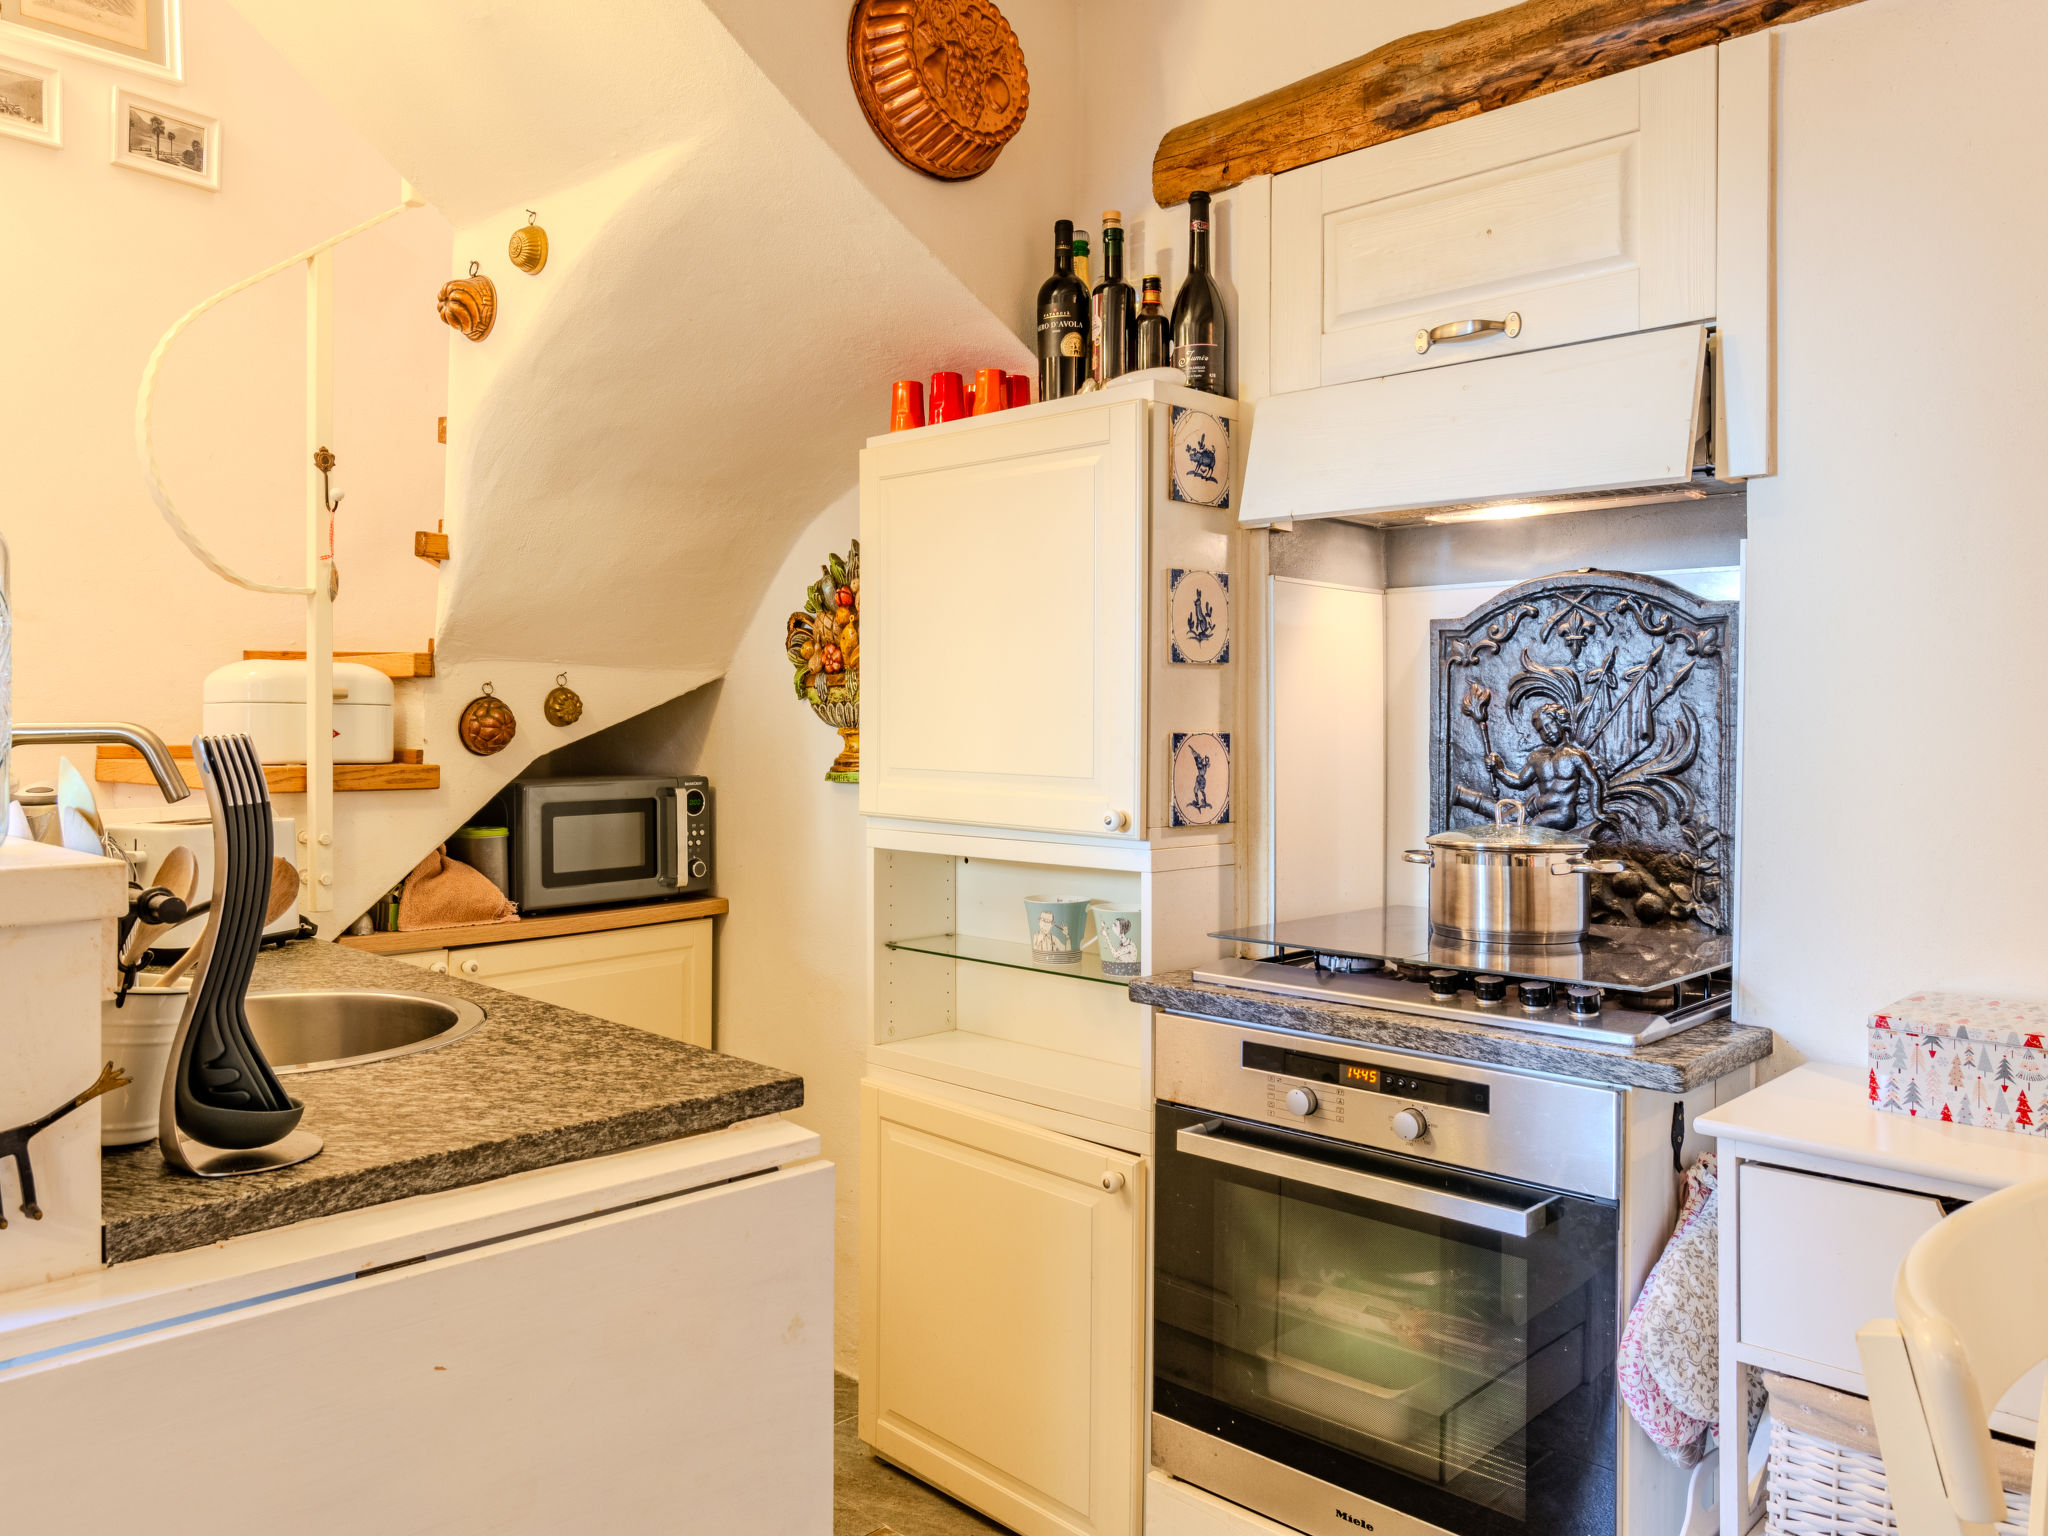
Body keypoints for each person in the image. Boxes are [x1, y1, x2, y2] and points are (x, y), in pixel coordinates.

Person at [1453, 701, 1602, 830]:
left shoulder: (1574, 755)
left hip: (1561, 813)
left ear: (1560, 722)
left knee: (1529, 830)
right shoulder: (1537, 757)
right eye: (1541, 730)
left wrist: (1597, 812)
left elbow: (1593, 782)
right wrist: (1498, 769)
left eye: (1549, 724)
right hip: (1535, 807)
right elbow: (1519, 781)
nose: (1547, 732)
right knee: (1503, 819)